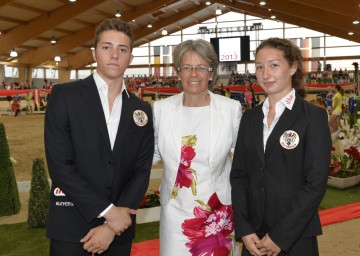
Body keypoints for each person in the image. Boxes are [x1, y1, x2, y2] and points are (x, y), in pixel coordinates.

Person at [44, 18, 154, 256]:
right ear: (94, 53)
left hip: (119, 231)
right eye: (107, 47)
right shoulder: (64, 96)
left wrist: (113, 225)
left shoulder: (141, 109)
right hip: (72, 227)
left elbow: (141, 169)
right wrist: (108, 212)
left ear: (130, 58)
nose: (114, 55)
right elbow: (60, 166)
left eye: (122, 49)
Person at [230, 38, 331, 256]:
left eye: (274, 65)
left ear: (293, 67)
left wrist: (280, 236)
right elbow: (239, 175)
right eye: (259, 67)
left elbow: (315, 183)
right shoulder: (249, 118)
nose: (265, 74)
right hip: (253, 238)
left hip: (295, 236)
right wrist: (244, 228)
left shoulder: (313, 117)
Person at [153, 39, 242, 256]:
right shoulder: (161, 109)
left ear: (211, 73)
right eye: (187, 67)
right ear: (178, 72)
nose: (194, 74)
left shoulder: (231, 109)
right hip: (174, 212)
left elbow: (243, 161)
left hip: (218, 213)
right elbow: (149, 156)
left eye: (201, 67)